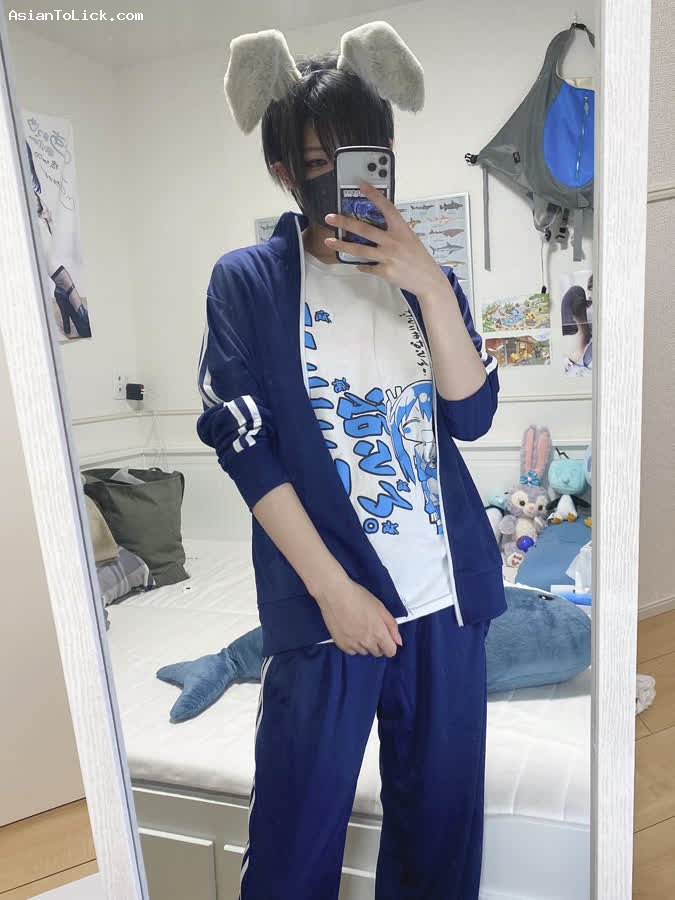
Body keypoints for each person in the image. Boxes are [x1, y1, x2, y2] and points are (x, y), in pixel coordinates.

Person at [197, 23, 506, 900]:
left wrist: (429, 282)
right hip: (324, 605)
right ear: (283, 174)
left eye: (365, 157)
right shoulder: (247, 281)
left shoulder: (422, 277)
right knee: (291, 852)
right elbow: (245, 448)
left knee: (438, 848)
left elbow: (472, 414)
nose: (344, 180)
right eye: (316, 163)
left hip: (446, 599)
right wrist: (333, 593)